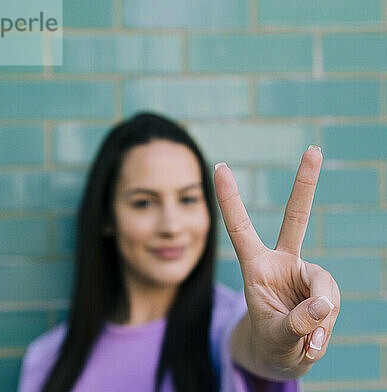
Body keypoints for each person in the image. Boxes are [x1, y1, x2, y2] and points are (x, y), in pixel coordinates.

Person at [17, 112, 340, 392]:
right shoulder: (47, 359)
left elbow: (261, 351)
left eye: (187, 199)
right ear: (106, 217)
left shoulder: (228, 323)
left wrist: (278, 347)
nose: (171, 226)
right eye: (143, 202)